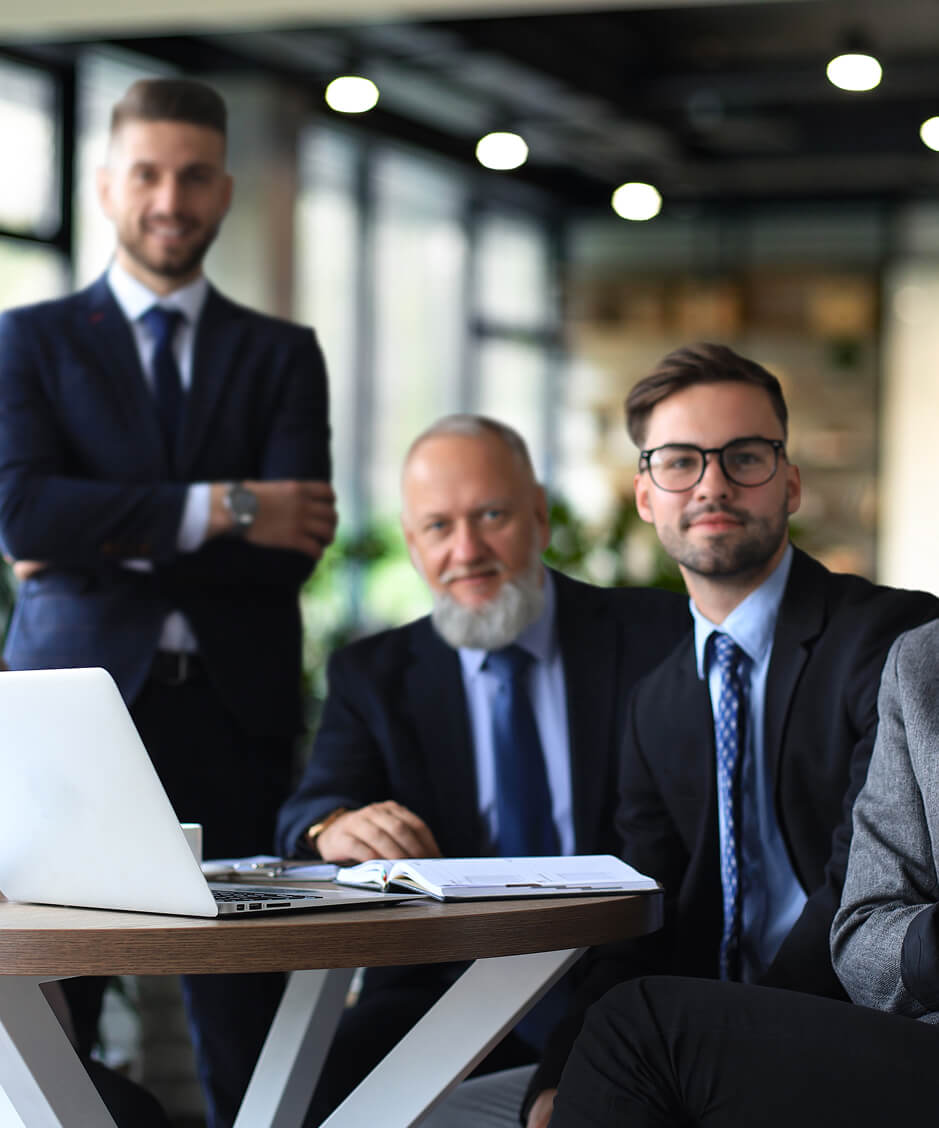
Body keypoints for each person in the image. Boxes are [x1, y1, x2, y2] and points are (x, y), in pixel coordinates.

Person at [425, 343, 939, 1128]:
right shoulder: (656, 702)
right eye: (678, 462)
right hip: (694, 1040)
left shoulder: (890, 641)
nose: (712, 484)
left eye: (744, 457)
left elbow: (858, 889)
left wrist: (718, 1039)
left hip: (852, 1023)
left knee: (638, 1041)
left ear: (790, 482)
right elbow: (637, 922)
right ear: (643, 494)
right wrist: (555, 1078)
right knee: (450, 1112)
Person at [0, 78, 335, 1128]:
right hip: (76, 724)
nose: (169, 198)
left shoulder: (283, 354)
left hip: (232, 716)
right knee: (51, 1022)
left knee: (248, 1020)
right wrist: (229, 506)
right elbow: (22, 517)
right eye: (146, 172)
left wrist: (100, 537)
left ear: (226, 190)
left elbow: (294, 552)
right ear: (107, 184)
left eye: (193, 175)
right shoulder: (29, 340)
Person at [274, 413, 691, 1124]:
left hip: (624, 975)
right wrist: (335, 826)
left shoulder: (656, 636)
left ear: (537, 513)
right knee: (305, 1096)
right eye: (437, 527)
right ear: (411, 546)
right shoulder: (371, 675)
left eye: (490, 515)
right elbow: (313, 806)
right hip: (440, 985)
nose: (465, 550)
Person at [545, 617, 939, 1126]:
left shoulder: (874, 629)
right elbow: (862, 931)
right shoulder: (921, 658)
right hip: (903, 1034)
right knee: (617, 1047)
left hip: (842, 1017)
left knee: (639, 1032)